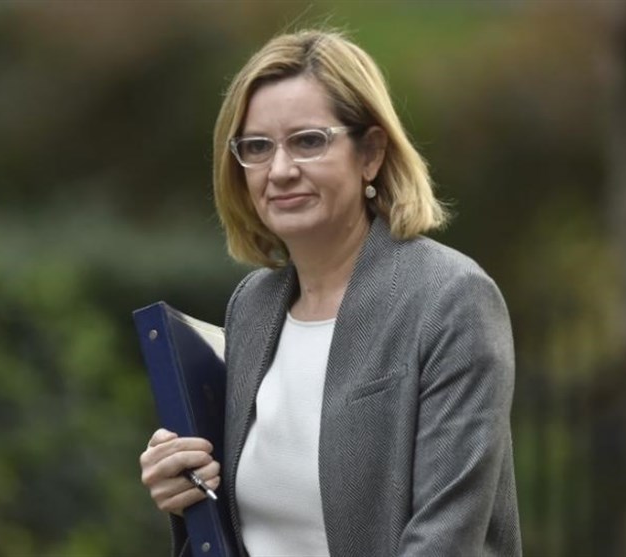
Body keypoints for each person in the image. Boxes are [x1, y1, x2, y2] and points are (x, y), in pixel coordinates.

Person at [140, 29, 521, 557]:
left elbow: (445, 539)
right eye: (257, 147)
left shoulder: (450, 300)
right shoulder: (252, 307)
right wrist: (186, 489)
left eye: (308, 141)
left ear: (371, 153)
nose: (280, 171)